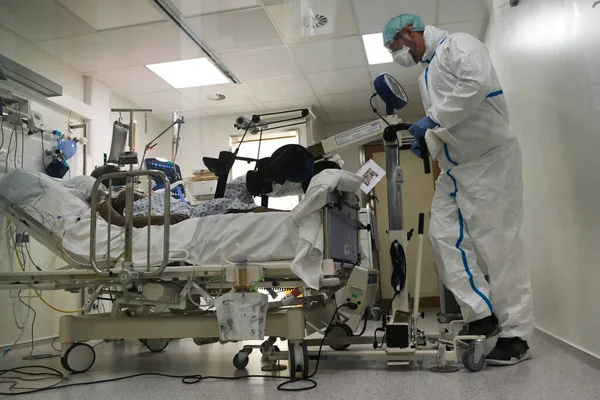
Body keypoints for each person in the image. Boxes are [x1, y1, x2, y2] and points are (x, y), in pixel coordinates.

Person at [382, 14, 534, 365]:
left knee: (499, 246)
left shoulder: (458, 45)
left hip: (489, 161)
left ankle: (517, 336)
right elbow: (454, 115)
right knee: (442, 237)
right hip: (453, 169)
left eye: (394, 46)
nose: (396, 55)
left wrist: (432, 120)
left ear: (409, 33)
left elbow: (475, 84)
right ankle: (481, 312)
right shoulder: (426, 73)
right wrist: (431, 140)